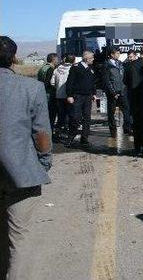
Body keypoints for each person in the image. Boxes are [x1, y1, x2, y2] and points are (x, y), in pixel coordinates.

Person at [0, 36, 52, 280]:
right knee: (19, 238)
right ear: (14, 58)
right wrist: (43, 163)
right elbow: (41, 132)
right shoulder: (31, 88)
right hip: (21, 174)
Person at [124, 46, 143, 157]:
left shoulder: (129, 65)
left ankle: (137, 148)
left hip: (134, 99)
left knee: (136, 125)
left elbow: (125, 81)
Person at [66, 50, 97, 147]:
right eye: (92, 58)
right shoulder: (76, 67)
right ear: (87, 58)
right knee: (75, 117)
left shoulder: (91, 68)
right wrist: (69, 95)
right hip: (78, 96)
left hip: (88, 96)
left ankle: (84, 138)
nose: (93, 59)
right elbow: (70, 82)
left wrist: (94, 93)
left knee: (87, 118)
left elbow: (93, 82)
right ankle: (71, 137)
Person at [102, 48, 132, 137]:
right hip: (113, 93)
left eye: (119, 53)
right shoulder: (106, 65)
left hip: (122, 91)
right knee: (112, 112)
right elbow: (107, 80)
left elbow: (124, 77)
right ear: (112, 54)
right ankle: (113, 131)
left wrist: (124, 88)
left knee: (126, 110)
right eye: (117, 53)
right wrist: (113, 92)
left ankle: (127, 128)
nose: (119, 55)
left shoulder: (120, 63)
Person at [50, 54, 75, 140]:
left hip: (59, 96)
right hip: (69, 96)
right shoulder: (73, 69)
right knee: (70, 115)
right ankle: (69, 133)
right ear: (73, 61)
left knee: (61, 115)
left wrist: (58, 88)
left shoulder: (57, 69)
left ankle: (57, 132)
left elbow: (52, 83)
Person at [37, 53, 59, 133]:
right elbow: (49, 83)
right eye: (57, 59)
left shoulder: (43, 68)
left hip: (42, 93)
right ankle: (50, 132)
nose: (58, 60)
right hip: (49, 95)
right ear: (53, 60)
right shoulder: (50, 69)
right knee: (51, 114)